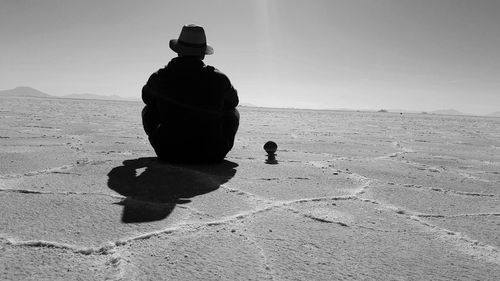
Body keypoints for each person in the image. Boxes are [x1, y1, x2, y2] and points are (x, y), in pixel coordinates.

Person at [141, 24, 239, 163]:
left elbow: (146, 98)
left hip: (169, 153)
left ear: (178, 51)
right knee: (232, 112)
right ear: (203, 54)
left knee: (149, 109)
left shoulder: (160, 76)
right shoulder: (219, 78)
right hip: (211, 154)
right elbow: (233, 103)